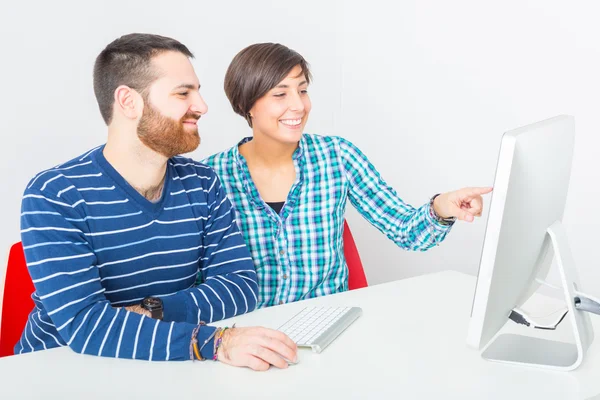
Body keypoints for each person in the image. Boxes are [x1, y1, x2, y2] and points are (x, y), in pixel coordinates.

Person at [17, 34, 296, 371]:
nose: (202, 106)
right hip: (55, 371)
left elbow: (240, 285)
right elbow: (85, 327)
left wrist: (155, 310)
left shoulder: (203, 183)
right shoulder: (55, 194)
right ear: (128, 102)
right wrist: (215, 341)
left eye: (197, 91)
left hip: (163, 367)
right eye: (183, 93)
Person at [203, 43, 492, 308]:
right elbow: (196, 277)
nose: (299, 105)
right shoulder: (210, 177)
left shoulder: (338, 157)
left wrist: (442, 208)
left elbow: (407, 232)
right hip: (248, 337)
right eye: (280, 94)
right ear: (245, 105)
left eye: (302, 90)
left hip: (325, 324)